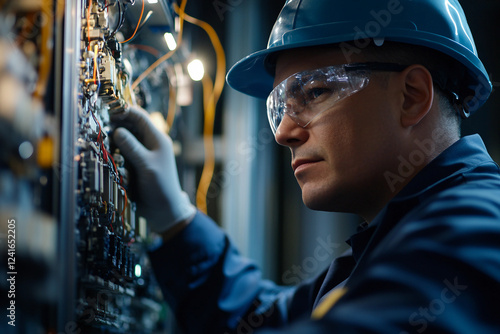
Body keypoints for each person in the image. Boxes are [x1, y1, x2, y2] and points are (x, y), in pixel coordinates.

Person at [112, 0, 500, 333]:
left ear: (412, 97)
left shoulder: (476, 233)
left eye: (315, 92)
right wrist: (176, 219)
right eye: (279, 107)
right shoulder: (388, 248)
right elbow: (263, 321)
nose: (283, 132)